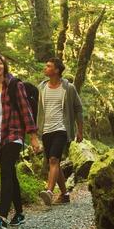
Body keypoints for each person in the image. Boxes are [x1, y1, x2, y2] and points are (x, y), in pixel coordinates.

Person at [0, 53, 39, 229]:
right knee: (10, 173)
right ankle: (20, 213)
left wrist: (32, 135)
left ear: (4, 65)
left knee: (5, 171)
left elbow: (26, 110)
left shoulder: (16, 85)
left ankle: (2, 216)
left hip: (14, 134)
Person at [37, 57, 83, 206]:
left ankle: (49, 191)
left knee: (53, 160)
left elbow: (78, 109)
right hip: (46, 130)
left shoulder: (68, 88)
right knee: (53, 163)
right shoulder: (41, 88)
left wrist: (80, 131)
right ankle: (65, 194)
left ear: (56, 70)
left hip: (61, 128)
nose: (45, 68)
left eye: (48, 66)